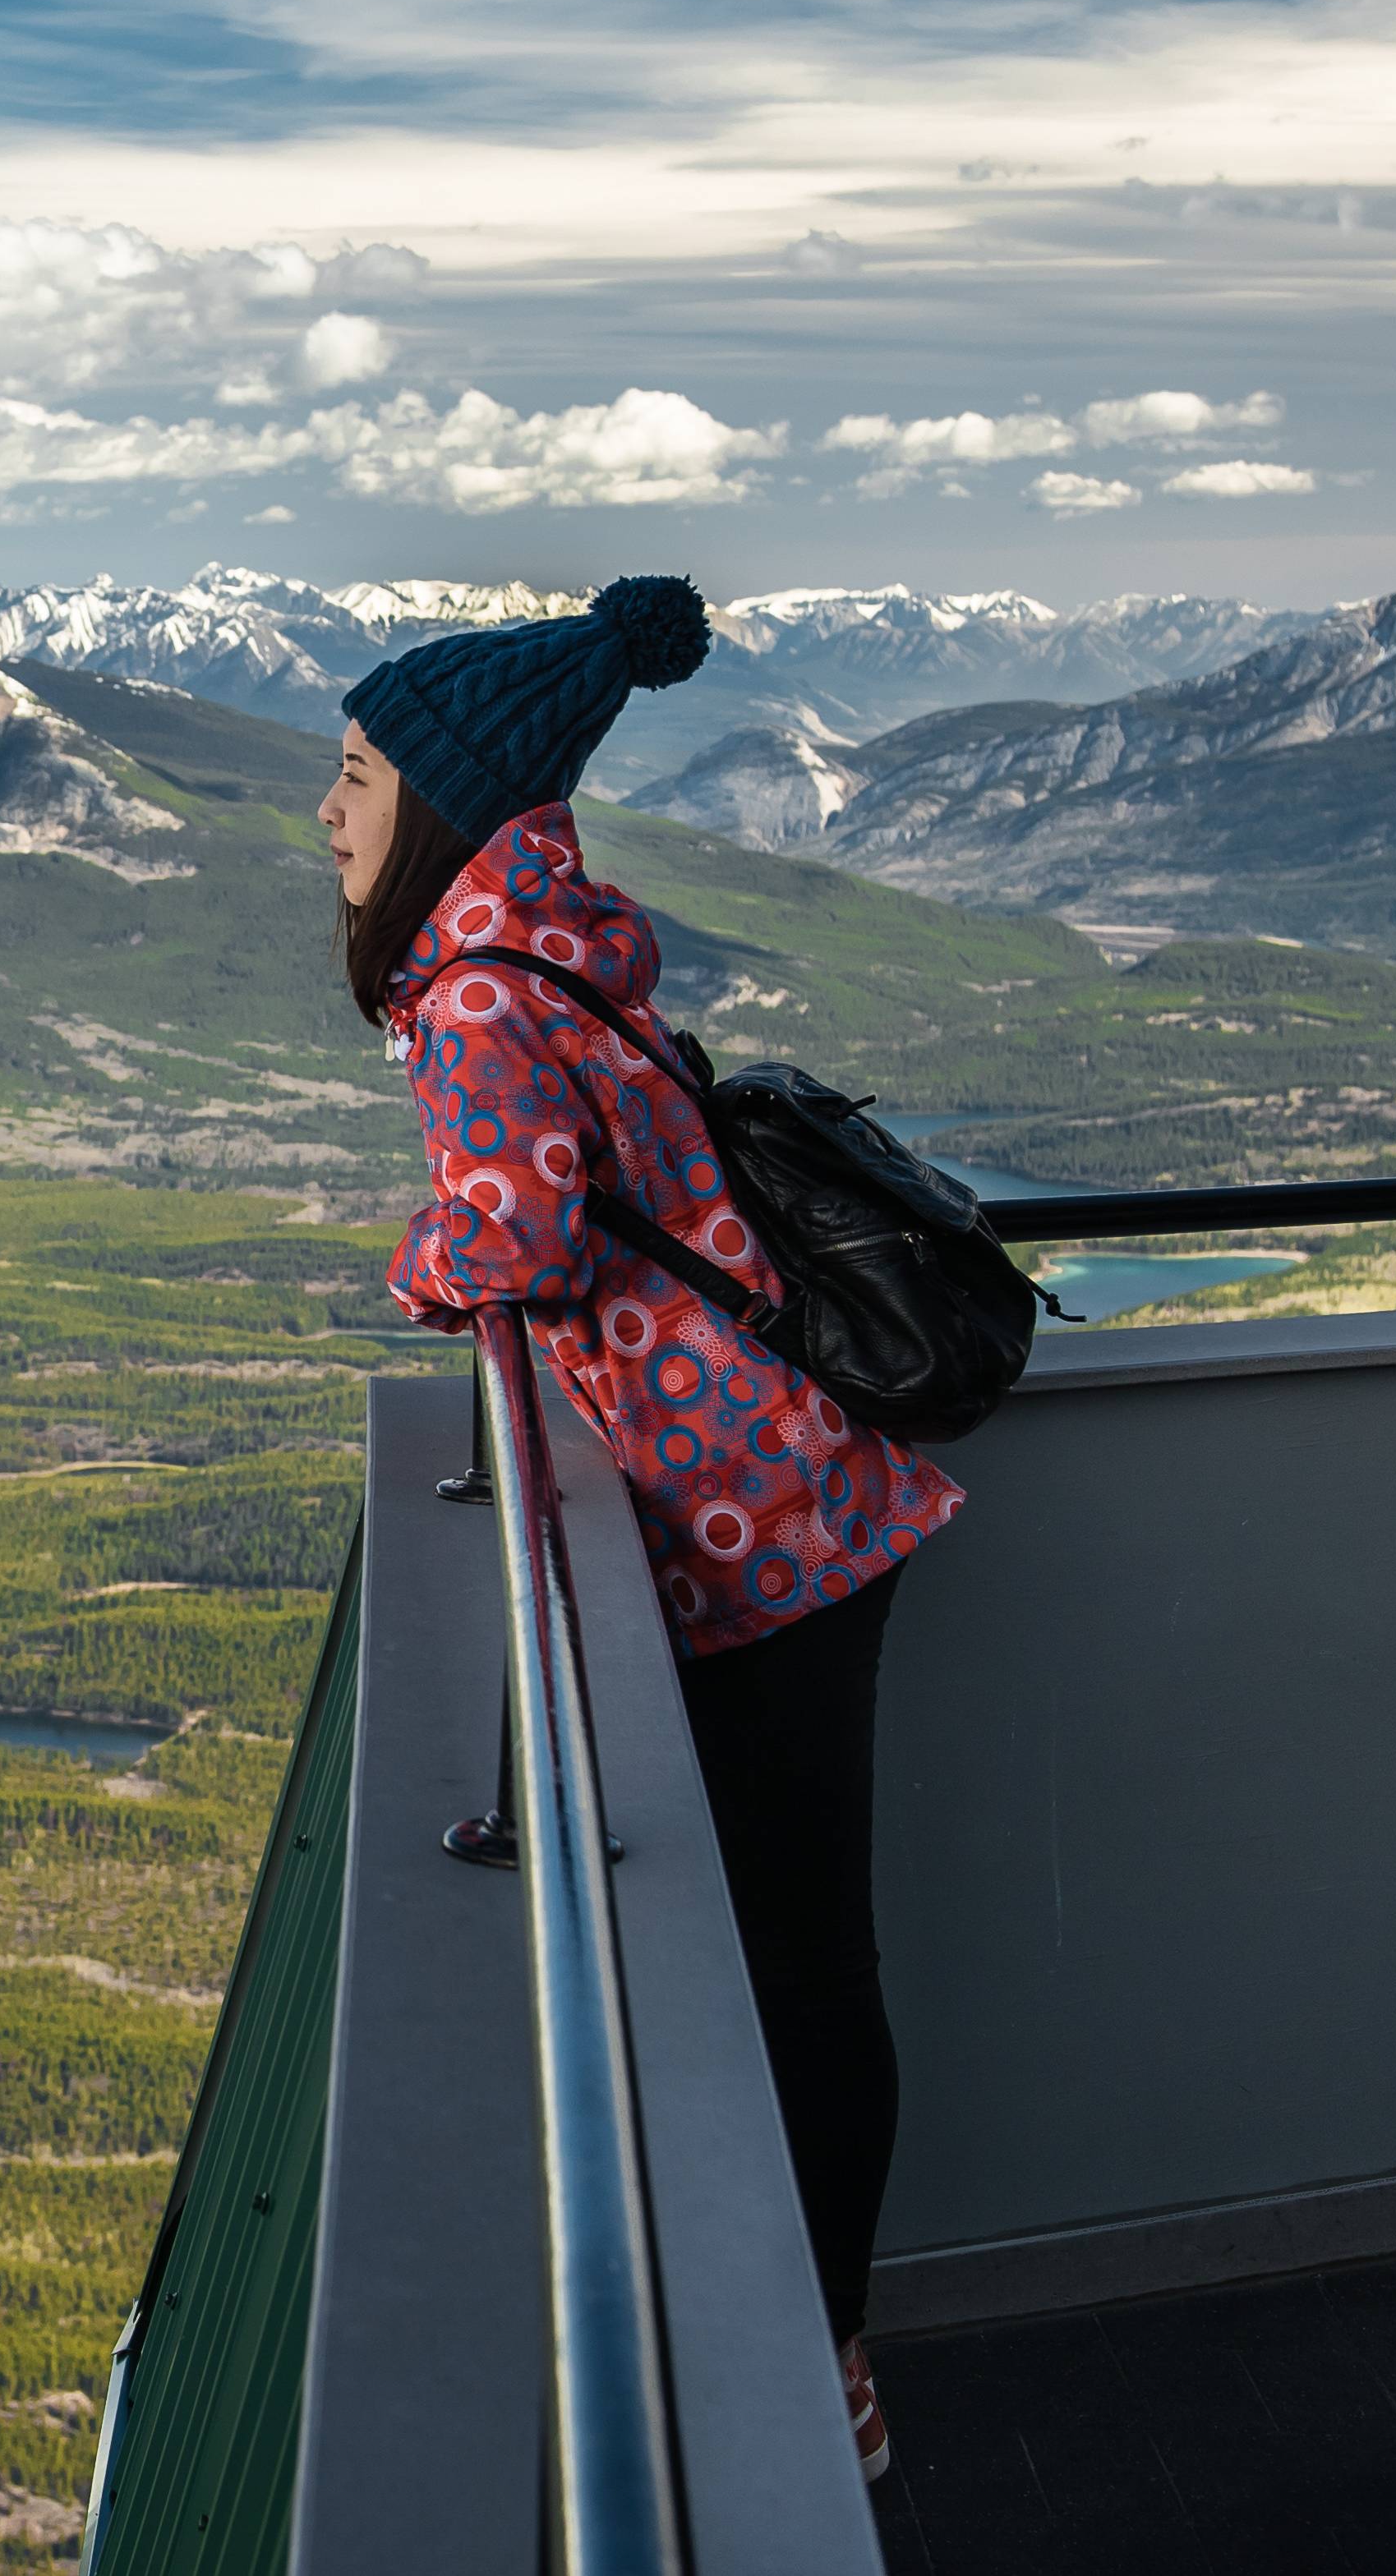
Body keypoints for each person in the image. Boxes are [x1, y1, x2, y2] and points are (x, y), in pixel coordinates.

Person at [321, 573, 960, 2488]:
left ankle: (820, 2358)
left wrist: (413, 1269)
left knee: (796, 1958)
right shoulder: (561, 947)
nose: (325, 814)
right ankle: (811, 2332)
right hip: (800, 1487)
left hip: (756, 1528)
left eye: (352, 778)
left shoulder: (471, 997)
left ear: (434, 806)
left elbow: (510, 1237)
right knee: (802, 1948)